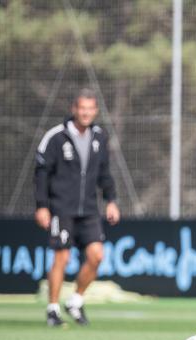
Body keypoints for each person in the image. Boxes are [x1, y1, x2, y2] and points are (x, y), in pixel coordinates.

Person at [34, 88, 120, 327]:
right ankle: (52, 309)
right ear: (74, 109)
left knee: (96, 256)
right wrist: (42, 206)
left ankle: (75, 301)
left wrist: (111, 200)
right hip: (62, 207)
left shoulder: (99, 137)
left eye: (90, 109)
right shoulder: (56, 136)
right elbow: (41, 173)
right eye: (82, 108)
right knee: (62, 256)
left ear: (95, 111)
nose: (86, 113)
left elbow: (105, 173)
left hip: (90, 209)